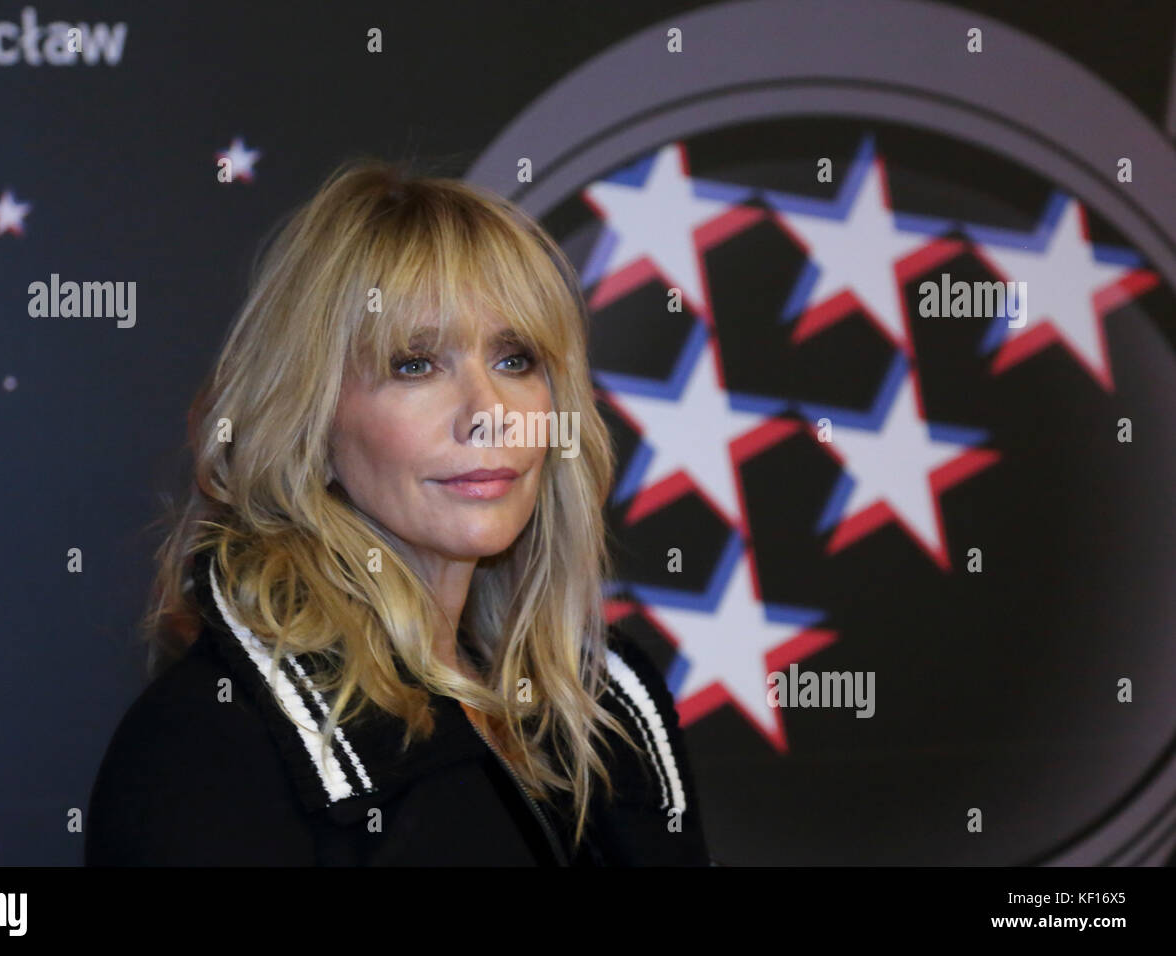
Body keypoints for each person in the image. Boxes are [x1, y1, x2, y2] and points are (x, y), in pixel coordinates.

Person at [84, 156, 712, 866]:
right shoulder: (212, 747)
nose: (489, 416)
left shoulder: (606, 704)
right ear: (312, 425)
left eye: (516, 360)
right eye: (414, 364)